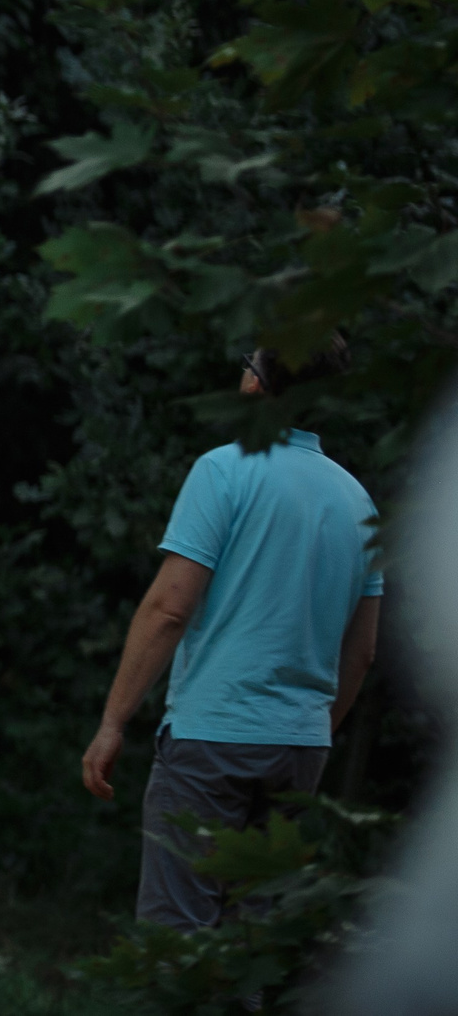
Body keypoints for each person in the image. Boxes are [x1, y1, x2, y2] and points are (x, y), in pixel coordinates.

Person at [80, 337, 381, 933]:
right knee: (250, 944)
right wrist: (309, 729)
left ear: (255, 384)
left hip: (212, 737)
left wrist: (113, 723)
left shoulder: (224, 469)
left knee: (178, 938)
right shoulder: (359, 501)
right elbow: (363, 650)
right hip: (301, 751)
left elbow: (169, 609)